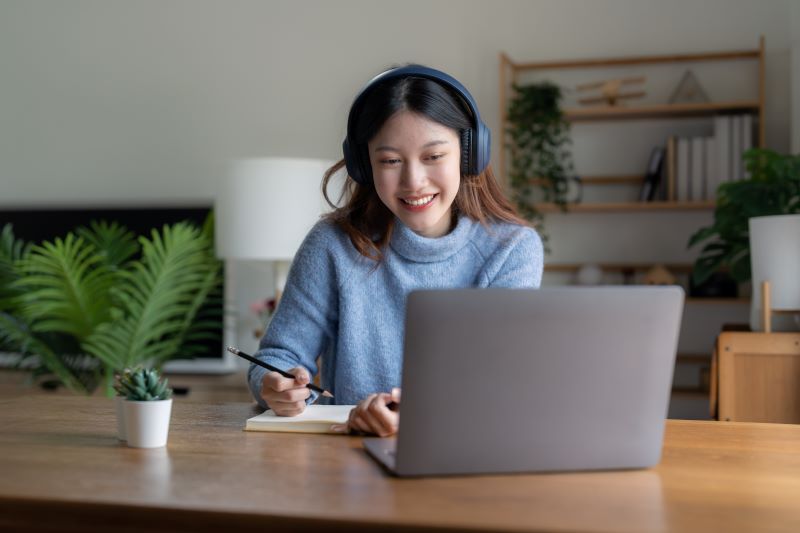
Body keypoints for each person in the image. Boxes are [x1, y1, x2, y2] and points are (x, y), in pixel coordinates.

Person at [247, 64, 543, 437]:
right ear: (363, 165)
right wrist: (276, 386)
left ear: (470, 153)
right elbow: (275, 359)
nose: (413, 182)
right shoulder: (332, 244)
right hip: (348, 464)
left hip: (464, 453)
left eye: (433, 156)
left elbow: (500, 382)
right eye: (390, 161)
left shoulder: (511, 248)